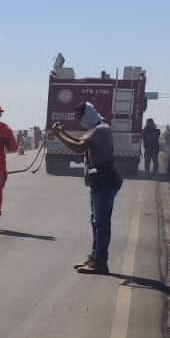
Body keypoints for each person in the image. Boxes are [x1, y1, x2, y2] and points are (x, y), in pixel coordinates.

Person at [48, 101, 121, 274]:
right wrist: (62, 132)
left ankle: (101, 260)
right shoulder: (95, 130)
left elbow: (78, 147)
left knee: (101, 223)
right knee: (96, 222)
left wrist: (58, 134)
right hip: (99, 181)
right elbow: (79, 141)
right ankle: (96, 257)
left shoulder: (100, 130)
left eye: (79, 117)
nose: (78, 121)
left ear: (87, 115)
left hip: (104, 180)